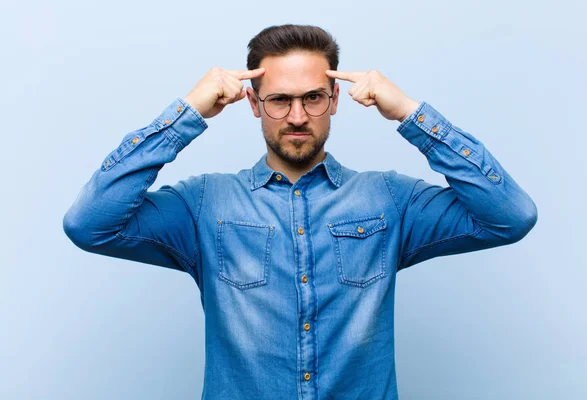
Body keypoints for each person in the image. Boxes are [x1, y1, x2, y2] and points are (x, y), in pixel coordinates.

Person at [63, 24, 537, 400]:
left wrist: (409, 114)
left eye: (312, 97)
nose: (296, 116)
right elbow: (89, 224)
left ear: (333, 100)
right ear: (253, 103)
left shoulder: (389, 200)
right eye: (279, 100)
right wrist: (187, 113)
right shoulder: (205, 204)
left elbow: (510, 216)